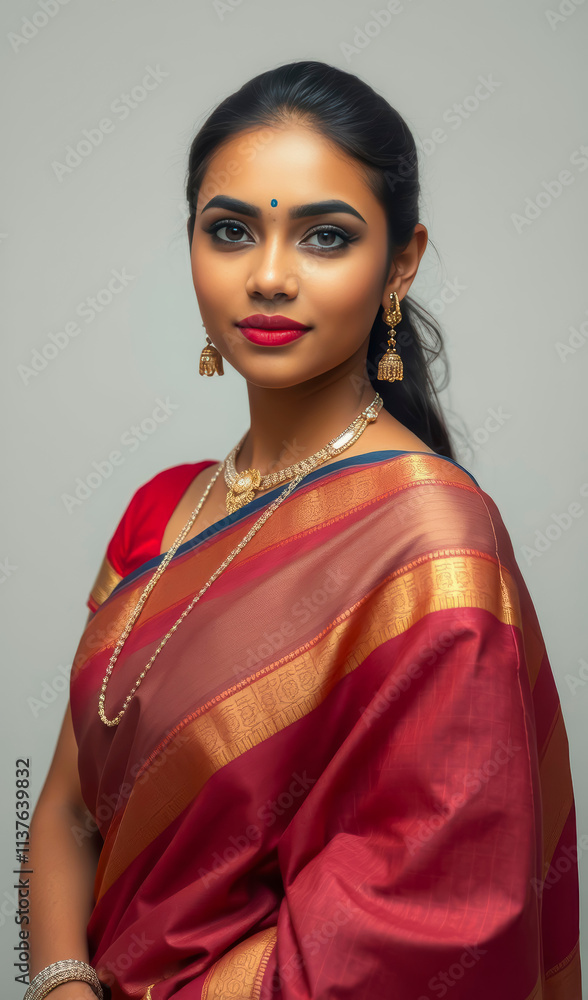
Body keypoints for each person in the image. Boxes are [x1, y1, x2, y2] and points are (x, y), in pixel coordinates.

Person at [25, 60, 581, 1000]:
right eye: (231, 231)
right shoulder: (160, 516)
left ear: (401, 262)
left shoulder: (435, 547)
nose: (270, 276)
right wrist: (63, 983)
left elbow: (421, 930)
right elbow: (67, 815)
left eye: (326, 237)